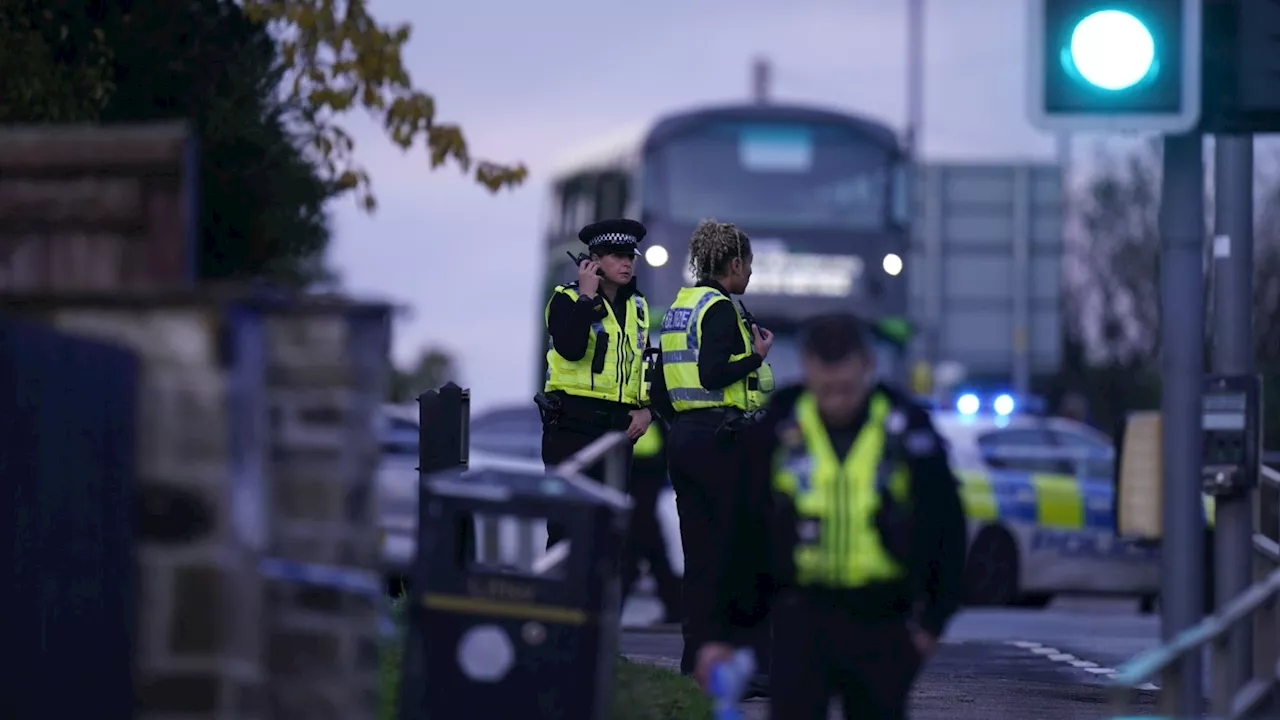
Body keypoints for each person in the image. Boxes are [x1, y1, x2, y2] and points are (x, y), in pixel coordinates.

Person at [697, 313, 967, 720]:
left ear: (868, 368)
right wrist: (719, 634)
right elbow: (738, 530)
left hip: (881, 620)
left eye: (846, 389)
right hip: (801, 618)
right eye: (825, 390)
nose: (836, 401)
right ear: (807, 370)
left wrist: (932, 623)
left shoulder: (908, 431)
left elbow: (947, 527)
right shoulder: (777, 430)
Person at [658, 219, 775, 688]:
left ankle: (696, 665)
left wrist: (683, 424)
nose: (750, 274)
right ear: (734, 263)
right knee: (741, 558)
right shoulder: (721, 308)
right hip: (721, 442)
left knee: (701, 562)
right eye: (749, 265)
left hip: (684, 439)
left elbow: (660, 381)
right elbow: (713, 373)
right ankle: (744, 669)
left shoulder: (680, 307)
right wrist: (757, 356)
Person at [539, 218, 656, 548]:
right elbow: (571, 348)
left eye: (630, 257)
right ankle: (560, 600)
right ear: (593, 261)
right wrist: (586, 298)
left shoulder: (639, 306)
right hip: (572, 427)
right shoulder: (565, 299)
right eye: (617, 256)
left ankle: (603, 601)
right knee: (566, 528)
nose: (626, 263)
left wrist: (649, 411)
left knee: (611, 533)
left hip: (619, 433)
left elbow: (645, 365)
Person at [622, 421, 682, 623]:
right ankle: (676, 608)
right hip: (646, 463)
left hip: (643, 464)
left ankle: (676, 608)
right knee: (647, 542)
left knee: (637, 543)